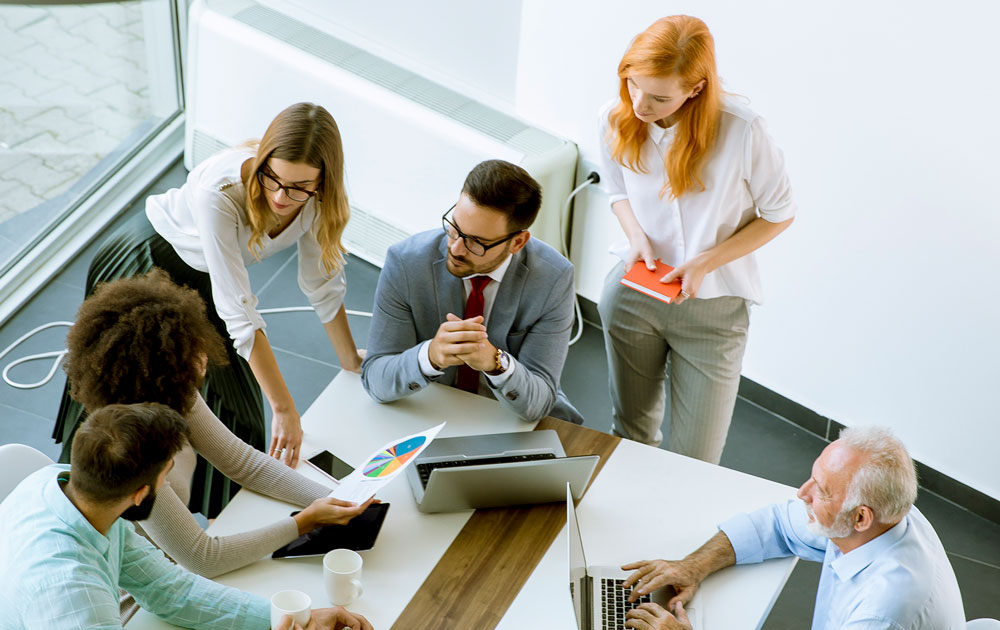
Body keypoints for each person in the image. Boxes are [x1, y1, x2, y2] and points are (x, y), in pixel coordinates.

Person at [54, 101, 362, 472]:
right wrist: (285, 408)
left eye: (298, 188)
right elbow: (240, 313)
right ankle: (80, 481)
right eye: (272, 179)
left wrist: (351, 363)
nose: (281, 197)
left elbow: (322, 282)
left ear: (322, 182)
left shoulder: (319, 201)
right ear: (263, 161)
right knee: (124, 399)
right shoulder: (221, 190)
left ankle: (222, 522)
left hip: (205, 276)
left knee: (241, 418)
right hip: (147, 262)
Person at [0, 403, 377, 630]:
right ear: (139, 494)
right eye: (167, 475)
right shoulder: (69, 591)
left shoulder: (70, 485)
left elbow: (169, 589)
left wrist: (292, 618)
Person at [60, 270, 372, 580]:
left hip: (174, 570)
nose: (204, 355)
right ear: (162, 366)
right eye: (191, 349)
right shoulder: (131, 447)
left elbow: (244, 462)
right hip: (144, 590)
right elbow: (202, 557)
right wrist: (304, 522)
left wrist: (340, 497)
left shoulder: (175, 394)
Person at [598, 16, 796, 463]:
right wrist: (636, 237)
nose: (641, 105)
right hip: (633, 295)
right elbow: (616, 191)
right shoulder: (615, 116)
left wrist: (705, 261)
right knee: (630, 436)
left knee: (696, 463)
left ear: (695, 89)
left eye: (659, 97)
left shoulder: (743, 130)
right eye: (633, 86)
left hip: (713, 313)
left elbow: (779, 214)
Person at [619, 426, 966, 630]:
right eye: (812, 477)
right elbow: (778, 524)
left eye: (822, 490)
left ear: (861, 517)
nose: (803, 493)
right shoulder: (886, 514)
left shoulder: (885, 612)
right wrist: (692, 567)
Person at [361, 159, 581, 423]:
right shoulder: (406, 263)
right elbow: (375, 378)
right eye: (454, 229)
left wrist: (496, 362)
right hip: (426, 407)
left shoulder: (553, 278)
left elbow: (541, 400)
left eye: (477, 242)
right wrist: (429, 355)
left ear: (517, 242)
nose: (455, 249)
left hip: (510, 414)